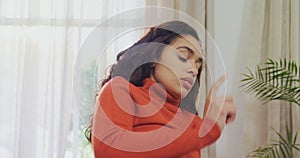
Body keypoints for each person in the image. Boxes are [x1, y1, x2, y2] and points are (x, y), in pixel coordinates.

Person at [85, 20, 236, 158]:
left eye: (198, 64)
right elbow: (110, 151)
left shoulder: (190, 121)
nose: (194, 70)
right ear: (153, 56)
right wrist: (205, 131)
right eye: (183, 56)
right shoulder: (120, 91)